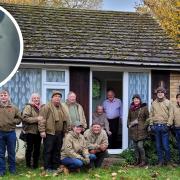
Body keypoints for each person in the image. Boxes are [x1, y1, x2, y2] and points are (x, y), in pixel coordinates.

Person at [38, 90, 68, 172]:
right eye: (56, 96)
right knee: (48, 151)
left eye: (59, 97)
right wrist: (42, 131)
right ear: (52, 98)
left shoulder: (62, 107)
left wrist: (65, 131)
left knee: (57, 151)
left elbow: (65, 120)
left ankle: (55, 167)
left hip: (59, 133)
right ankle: (47, 167)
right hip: (49, 133)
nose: (58, 98)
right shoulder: (46, 107)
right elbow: (41, 120)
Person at [149, 87, 173, 166]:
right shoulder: (154, 103)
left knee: (166, 146)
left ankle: (168, 162)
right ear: (157, 94)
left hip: (164, 127)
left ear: (164, 93)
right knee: (158, 146)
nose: (160, 94)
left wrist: (168, 125)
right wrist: (151, 125)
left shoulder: (168, 102)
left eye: (161, 92)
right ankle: (160, 162)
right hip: (156, 127)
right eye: (158, 92)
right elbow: (151, 114)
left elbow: (171, 115)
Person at [0, 90, 22, 176]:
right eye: (1, 95)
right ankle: (1, 170)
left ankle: (12, 170)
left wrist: (13, 121)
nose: (3, 97)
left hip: (11, 133)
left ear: (8, 96)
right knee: (0, 153)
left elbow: (20, 118)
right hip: (0, 133)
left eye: (5, 95)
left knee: (11, 152)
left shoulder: (14, 107)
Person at [127, 94, 149, 167]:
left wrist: (145, 126)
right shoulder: (131, 108)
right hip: (133, 130)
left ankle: (143, 161)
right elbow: (129, 118)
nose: (136, 100)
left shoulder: (144, 108)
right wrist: (129, 125)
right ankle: (137, 160)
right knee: (135, 147)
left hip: (141, 130)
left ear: (140, 100)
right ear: (133, 100)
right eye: (134, 99)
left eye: (137, 99)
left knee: (140, 146)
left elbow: (148, 118)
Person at [22, 93, 42, 169]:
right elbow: (25, 118)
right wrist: (36, 119)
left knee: (37, 149)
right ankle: (28, 165)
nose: (36, 99)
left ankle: (35, 166)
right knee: (29, 149)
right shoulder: (28, 107)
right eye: (34, 98)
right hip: (30, 132)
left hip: (38, 132)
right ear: (31, 99)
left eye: (37, 98)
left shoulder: (41, 107)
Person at [172, 93, 180, 164]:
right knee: (178, 145)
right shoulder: (174, 107)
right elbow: (172, 117)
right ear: (177, 99)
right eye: (179, 98)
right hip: (177, 129)